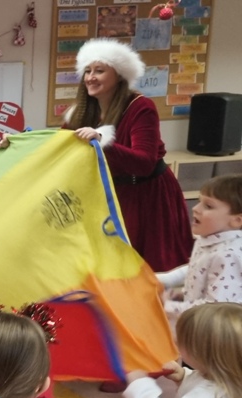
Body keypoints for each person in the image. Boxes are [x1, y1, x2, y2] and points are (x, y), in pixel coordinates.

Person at [64, 38, 192, 273]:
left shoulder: (141, 107)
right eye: (88, 71)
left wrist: (102, 141)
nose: (91, 77)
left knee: (149, 265)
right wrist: (18, 141)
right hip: (112, 193)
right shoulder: (81, 111)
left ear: (119, 75)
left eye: (99, 70)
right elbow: (58, 144)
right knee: (112, 263)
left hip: (148, 196)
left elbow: (144, 162)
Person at [123, 302, 242, 398]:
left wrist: (141, 388)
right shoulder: (226, 379)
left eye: (182, 341)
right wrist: (184, 376)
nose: (175, 341)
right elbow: (201, 389)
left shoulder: (212, 396)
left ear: (202, 354)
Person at [156, 174, 242, 328]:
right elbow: (199, 268)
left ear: (236, 220)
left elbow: (215, 309)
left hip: (209, 332)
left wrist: (169, 306)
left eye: (208, 206)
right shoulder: (209, 239)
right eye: (199, 201)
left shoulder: (228, 255)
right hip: (196, 320)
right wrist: (176, 286)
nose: (195, 208)